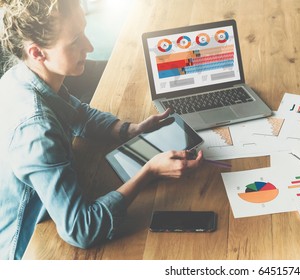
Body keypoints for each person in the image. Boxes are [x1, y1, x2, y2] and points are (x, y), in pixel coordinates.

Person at [0, 0, 203, 260]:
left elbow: (78, 113)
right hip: (28, 249)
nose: (89, 46)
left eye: (83, 31)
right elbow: (81, 230)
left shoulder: (21, 76)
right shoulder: (36, 131)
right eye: (75, 40)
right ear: (38, 52)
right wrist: (148, 172)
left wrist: (128, 129)